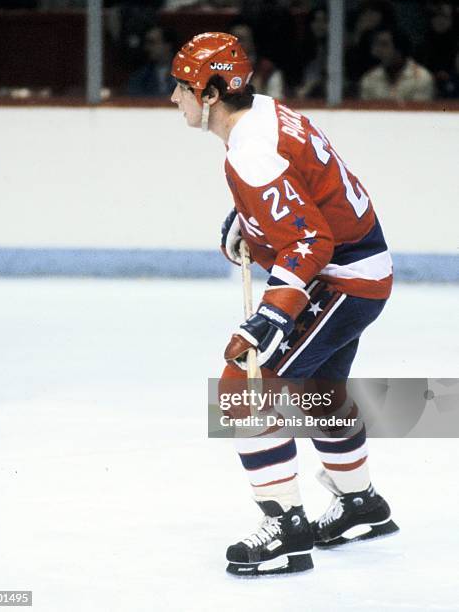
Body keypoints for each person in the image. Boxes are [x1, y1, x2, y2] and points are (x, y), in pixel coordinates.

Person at [171, 32, 399, 577]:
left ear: (209, 93)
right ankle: (361, 504)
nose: (173, 99)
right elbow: (305, 195)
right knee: (320, 393)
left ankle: (286, 527)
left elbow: (309, 243)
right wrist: (252, 224)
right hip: (360, 267)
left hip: (342, 279)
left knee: (245, 386)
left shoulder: (251, 150)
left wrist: (273, 315)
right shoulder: (266, 113)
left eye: (181, 87)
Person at [360, 26, 435, 101]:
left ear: (399, 49)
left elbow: (420, 111)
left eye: (384, 45)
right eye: (376, 45)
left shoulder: (421, 77)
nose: (377, 50)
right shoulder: (369, 78)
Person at [126, 25, 177, 97]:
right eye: (147, 43)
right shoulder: (140, 78)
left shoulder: (186, 73)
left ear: (167, 45)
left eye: (152, 43)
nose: (147, 48)